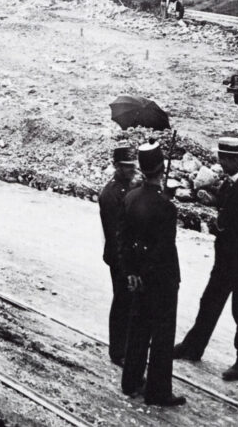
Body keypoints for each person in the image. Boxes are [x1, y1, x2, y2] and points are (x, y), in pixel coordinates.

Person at [174, 137, 238, 382]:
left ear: (235, 160)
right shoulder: (228, 186)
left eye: (224, 158)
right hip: (224, 261)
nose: (220, 162)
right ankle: (193, 347)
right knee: (208, 302)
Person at [120, 143, 186, 407]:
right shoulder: (166, 208)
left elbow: (123, 239)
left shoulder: (130, 197)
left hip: (138, 279)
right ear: (161, 169)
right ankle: (158, 392)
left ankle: (131, 381)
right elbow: (163, 250)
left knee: (137, 329)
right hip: (162, 281)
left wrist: (132, 272)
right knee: (161, 335)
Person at [98, 144, 137, 366]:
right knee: (122, 302)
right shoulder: (110, 194)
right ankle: (118, 350)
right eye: (126, 167)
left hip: (129, 256)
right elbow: (116, 234)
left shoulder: (128, 187)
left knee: (130, 302)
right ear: (116, 166)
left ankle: (127, 344)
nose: (131, 170)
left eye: (132, 166)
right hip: (119, 257)